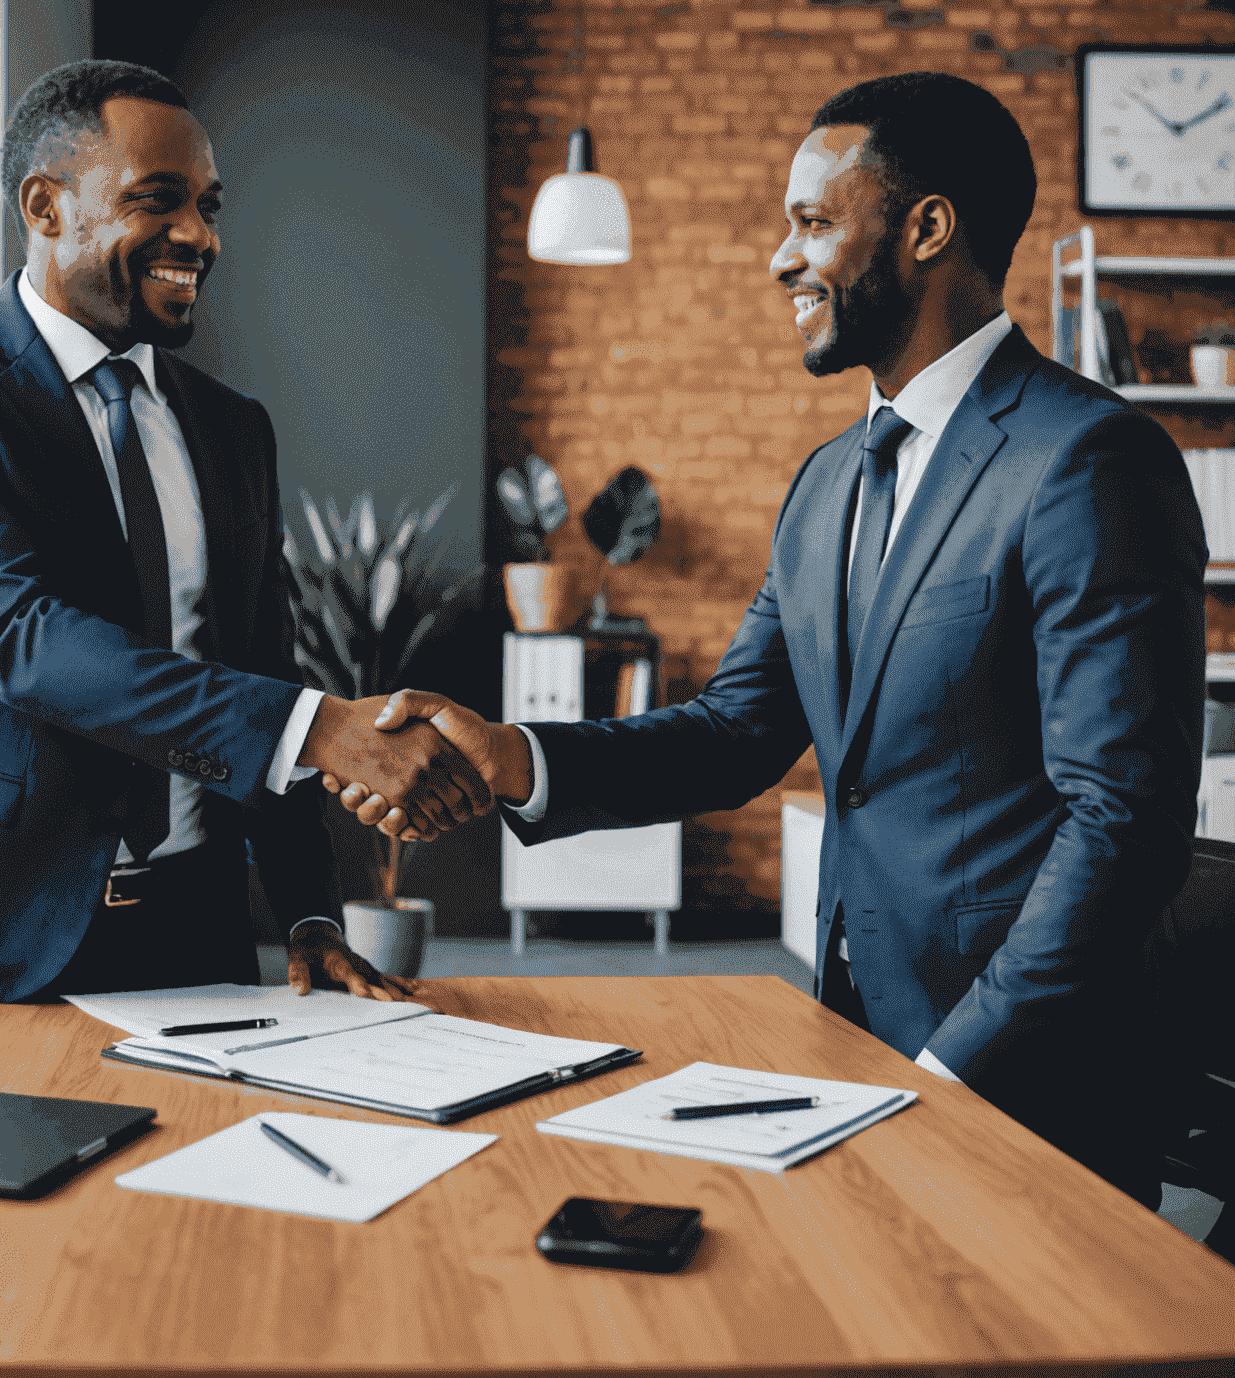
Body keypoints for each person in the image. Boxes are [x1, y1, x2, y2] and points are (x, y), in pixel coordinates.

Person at [335, 72, 1206, 1206]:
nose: (779, 260)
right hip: (855, 1041)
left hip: (1026, 1082)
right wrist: (521, 757)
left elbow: (1124, 822)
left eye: (812, 223)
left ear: (928, 228)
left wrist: (955, 1066)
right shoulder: (828, 484)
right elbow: (736, 730)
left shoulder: (1087, 460)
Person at [0, 59, 489, 1003]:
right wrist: (318, 729)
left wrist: (309, 914)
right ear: (45, 207)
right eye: (157, 200)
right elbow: (19, 640)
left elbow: (262, 667)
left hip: (195, 929)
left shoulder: (232, 426)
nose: (199, 237)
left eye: (209, 206)